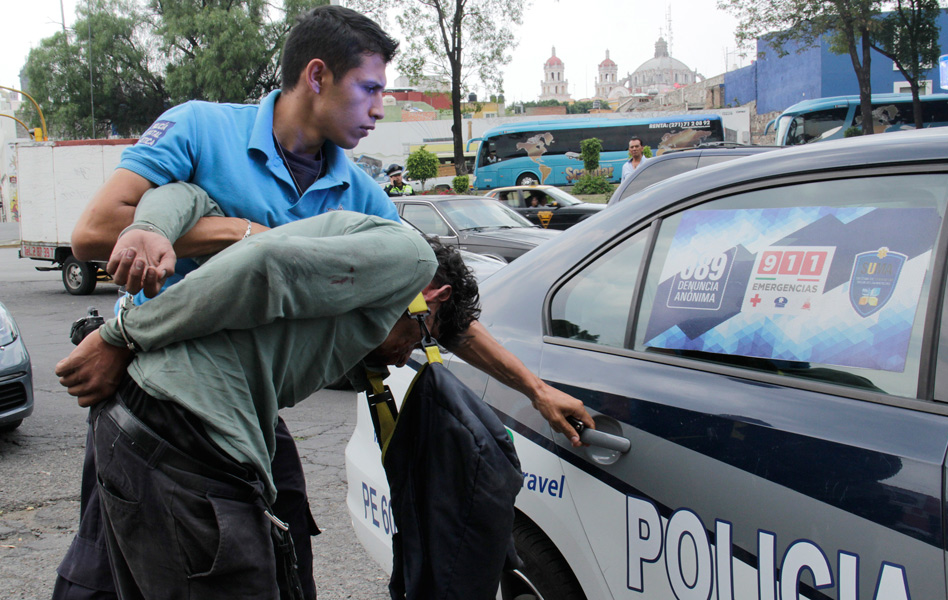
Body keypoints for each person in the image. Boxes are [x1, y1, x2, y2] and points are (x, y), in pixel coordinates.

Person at [62, 5, 592, 599]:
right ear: (316, 76)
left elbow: (429, 301)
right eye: (368, 89)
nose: (378, 109)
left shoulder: (360, 192)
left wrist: (535, 389)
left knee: (285, 558)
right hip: (153, 391)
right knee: (110, 567)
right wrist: (240, 235)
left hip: (250, 396)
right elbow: (94, 232)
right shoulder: (201, 128)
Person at [56, 182, 479, 600]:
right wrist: (122, 334)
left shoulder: (337, 249)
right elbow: (265, 265)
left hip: (145, 429)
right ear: (432, 297)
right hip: (184, 434)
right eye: (423, 337)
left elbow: (194, 199)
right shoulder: (412, 258)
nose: (407, 357)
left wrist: (150, 225)